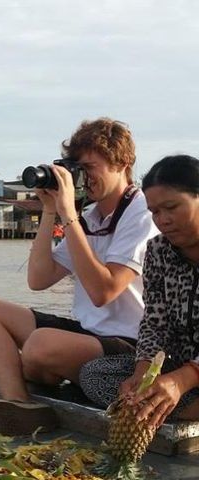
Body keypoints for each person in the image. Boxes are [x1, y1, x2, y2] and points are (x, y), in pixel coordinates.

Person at [0, 117, 159, 436]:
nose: (83, 177)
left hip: (131, 344)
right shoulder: (90, 216)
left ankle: (26, 366)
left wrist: (69, 213)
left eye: (90, 167)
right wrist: (49, 211)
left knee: (39, 345)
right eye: (78, 168)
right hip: (89, 333)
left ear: (123, 163)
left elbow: (105, 291)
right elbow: (39, 279)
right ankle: (19, 403)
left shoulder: (142, 213)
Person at [79, 155, 199, 427]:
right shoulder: (158, 250)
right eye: (155, 212)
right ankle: (163, 403)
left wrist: (183, 380)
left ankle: (168, 403)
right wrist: (143, 373)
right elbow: (154, 323)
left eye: (171, 207)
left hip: (189, 376)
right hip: (178, 370)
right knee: (95, 376)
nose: (163, 220)